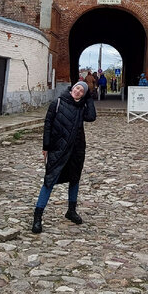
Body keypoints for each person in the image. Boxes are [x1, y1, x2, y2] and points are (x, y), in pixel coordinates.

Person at [32, 80, 96, 234]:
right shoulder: (58, 102)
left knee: (74, 179)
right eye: (77, 88)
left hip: (76, 149)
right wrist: (46, 146)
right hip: (58, 148)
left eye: (82, 91)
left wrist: (89, 98)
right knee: (49, 180)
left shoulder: (82, 108)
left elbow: (92, 117)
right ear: (72, 88)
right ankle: (37, 216)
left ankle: (71, 211)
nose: (78, 91)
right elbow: (48, 123)